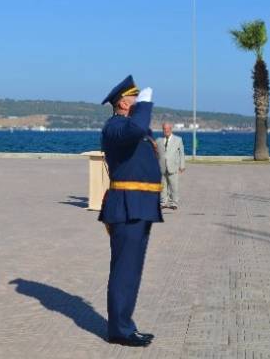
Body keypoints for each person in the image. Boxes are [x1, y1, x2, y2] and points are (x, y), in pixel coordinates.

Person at [99, 75, 163, 347]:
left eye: (140, 98)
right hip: (126, 206)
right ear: (123, 102)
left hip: (140, 206)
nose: (138, 102)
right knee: (125, 269)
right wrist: (146, 106)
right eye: (135, 97)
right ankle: (120, 330)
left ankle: (124, 325)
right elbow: (137, 130)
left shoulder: (128, 127)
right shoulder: (115, 126)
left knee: (132, 269)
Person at [157, 122, 186, 210]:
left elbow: (182, 153)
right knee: (163, 186)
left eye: (167, 129)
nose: (166, 131)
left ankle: (174, 203)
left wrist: (182, 165)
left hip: (173, 167)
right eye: (164, 129)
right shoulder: (158, 140)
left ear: (171, 129)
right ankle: (163, 202)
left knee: (174, 186)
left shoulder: (178, 139)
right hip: (161, 167)